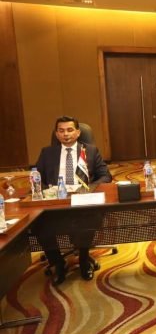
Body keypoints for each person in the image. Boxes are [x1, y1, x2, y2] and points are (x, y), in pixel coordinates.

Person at [35, 116, 112, 285]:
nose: (66, 134)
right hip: (57, 201)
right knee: (39, 224)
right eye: (61, 131)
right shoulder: (47, 153)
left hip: (82, 200)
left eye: (70, 130)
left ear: (78, 133)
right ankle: (58, 263)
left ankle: (84, 260)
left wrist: (88, 188)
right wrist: (48, 192)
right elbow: (37, 179)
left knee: (88, 219)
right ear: (56, 134)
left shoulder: (90, 151)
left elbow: (106, 176)